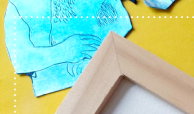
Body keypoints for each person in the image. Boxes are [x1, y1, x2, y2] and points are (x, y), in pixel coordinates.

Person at [4, 0, 132, 96]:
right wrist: (64, 50)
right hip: (62, 89)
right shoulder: (17, 6)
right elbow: (21, 60)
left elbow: (121, 25)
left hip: (118, 69)